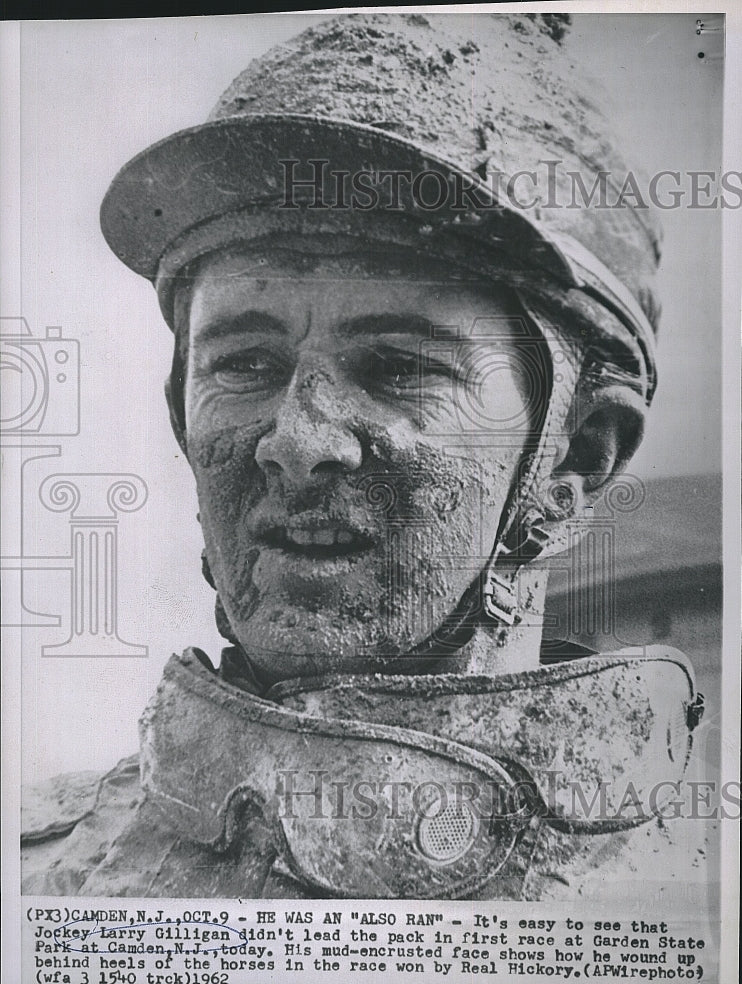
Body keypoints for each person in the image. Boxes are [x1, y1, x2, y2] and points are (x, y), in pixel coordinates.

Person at [22, 11, 707, 900]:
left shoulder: (701, 904)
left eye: (399, 367)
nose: (297, 442)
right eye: (245, 364)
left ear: (573, 463)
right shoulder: (30, 883)